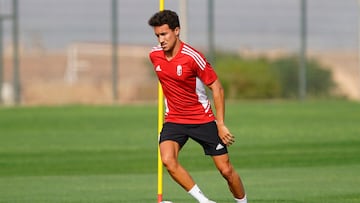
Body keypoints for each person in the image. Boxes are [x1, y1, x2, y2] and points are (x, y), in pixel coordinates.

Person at [148, 10, 247, 203]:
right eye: (157, 35)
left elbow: (217, 89)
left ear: (177, 31)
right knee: (168, 160)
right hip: (174, 119)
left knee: (226, 170)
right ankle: (204, 201)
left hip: (202, 119)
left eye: (164, 34)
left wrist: (221, 123)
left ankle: (243, 202)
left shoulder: (193, 57)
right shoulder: (154, 56)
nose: (161, 40)